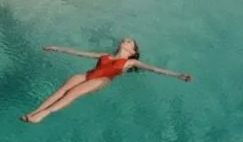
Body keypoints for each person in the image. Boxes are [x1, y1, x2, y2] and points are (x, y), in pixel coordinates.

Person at [21, 38, 191, 124]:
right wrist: (57, 48)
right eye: (125, 40)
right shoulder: (106, 55)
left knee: (71, 94)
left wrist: (178, 75)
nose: (125, 41)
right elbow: (80, 53)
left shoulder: (130, 62)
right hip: (88, 74)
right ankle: (34, 112)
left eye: (129, 42)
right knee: (60, 90)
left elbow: (154, 68)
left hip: (101, 79)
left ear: (132, 51)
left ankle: (42, 115)